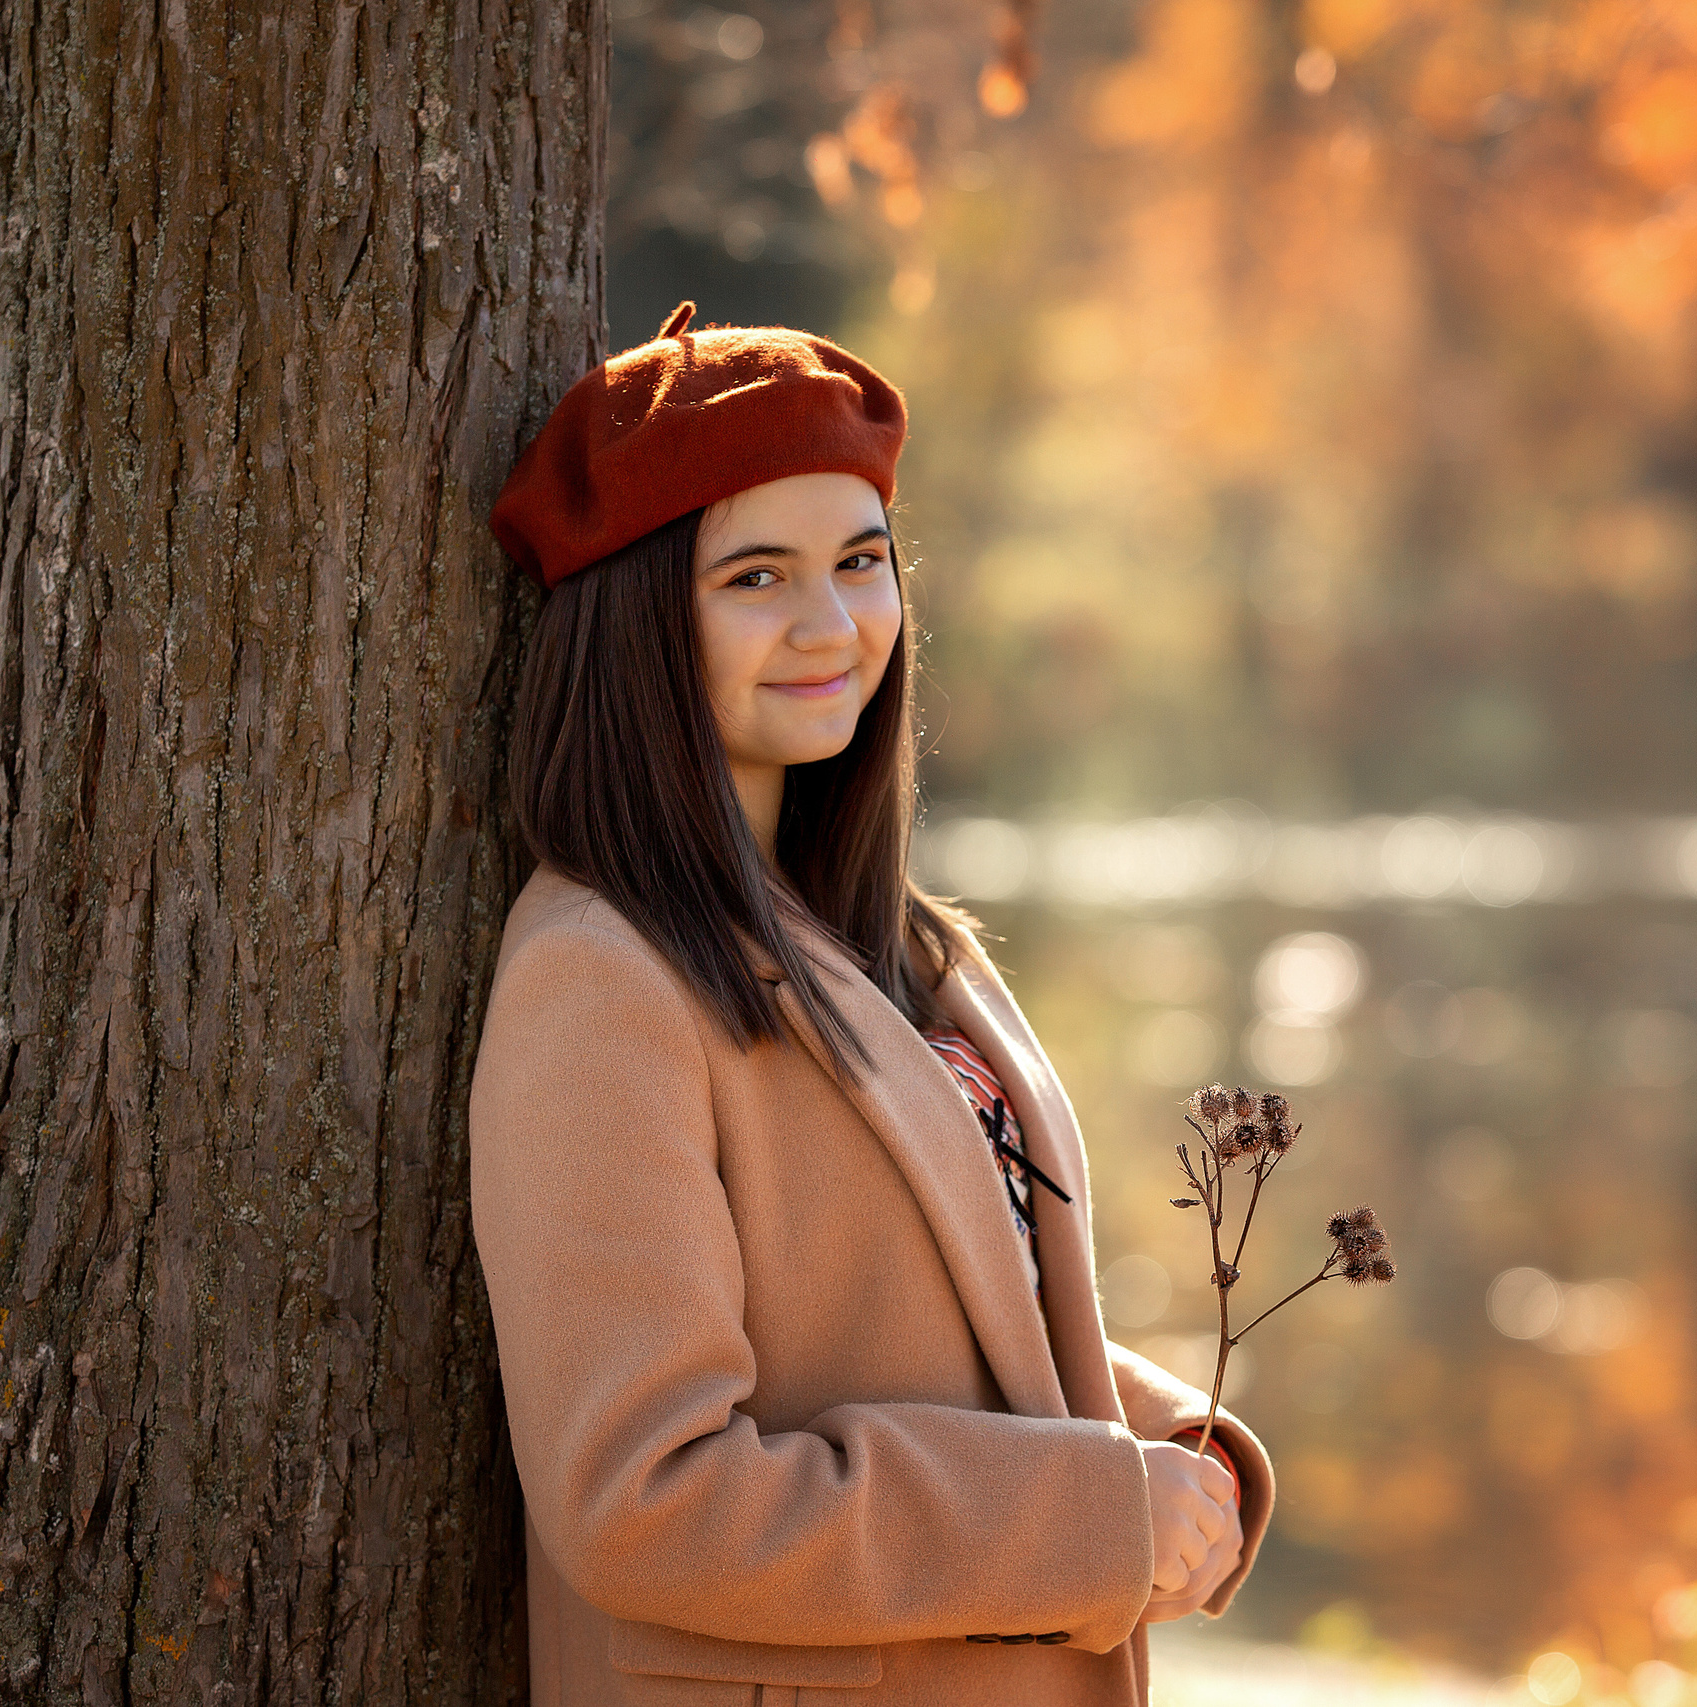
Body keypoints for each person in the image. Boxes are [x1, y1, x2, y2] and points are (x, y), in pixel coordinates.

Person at [466, 303, 1274, 1706]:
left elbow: (943, 1319)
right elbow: (644, 1499)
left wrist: (1169, 1451)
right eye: (757, 578)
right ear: (639, 614)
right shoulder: (599, 979)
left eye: (860, 561)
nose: (832, 624)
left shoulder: (900, 939)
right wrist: (1093, 1517)